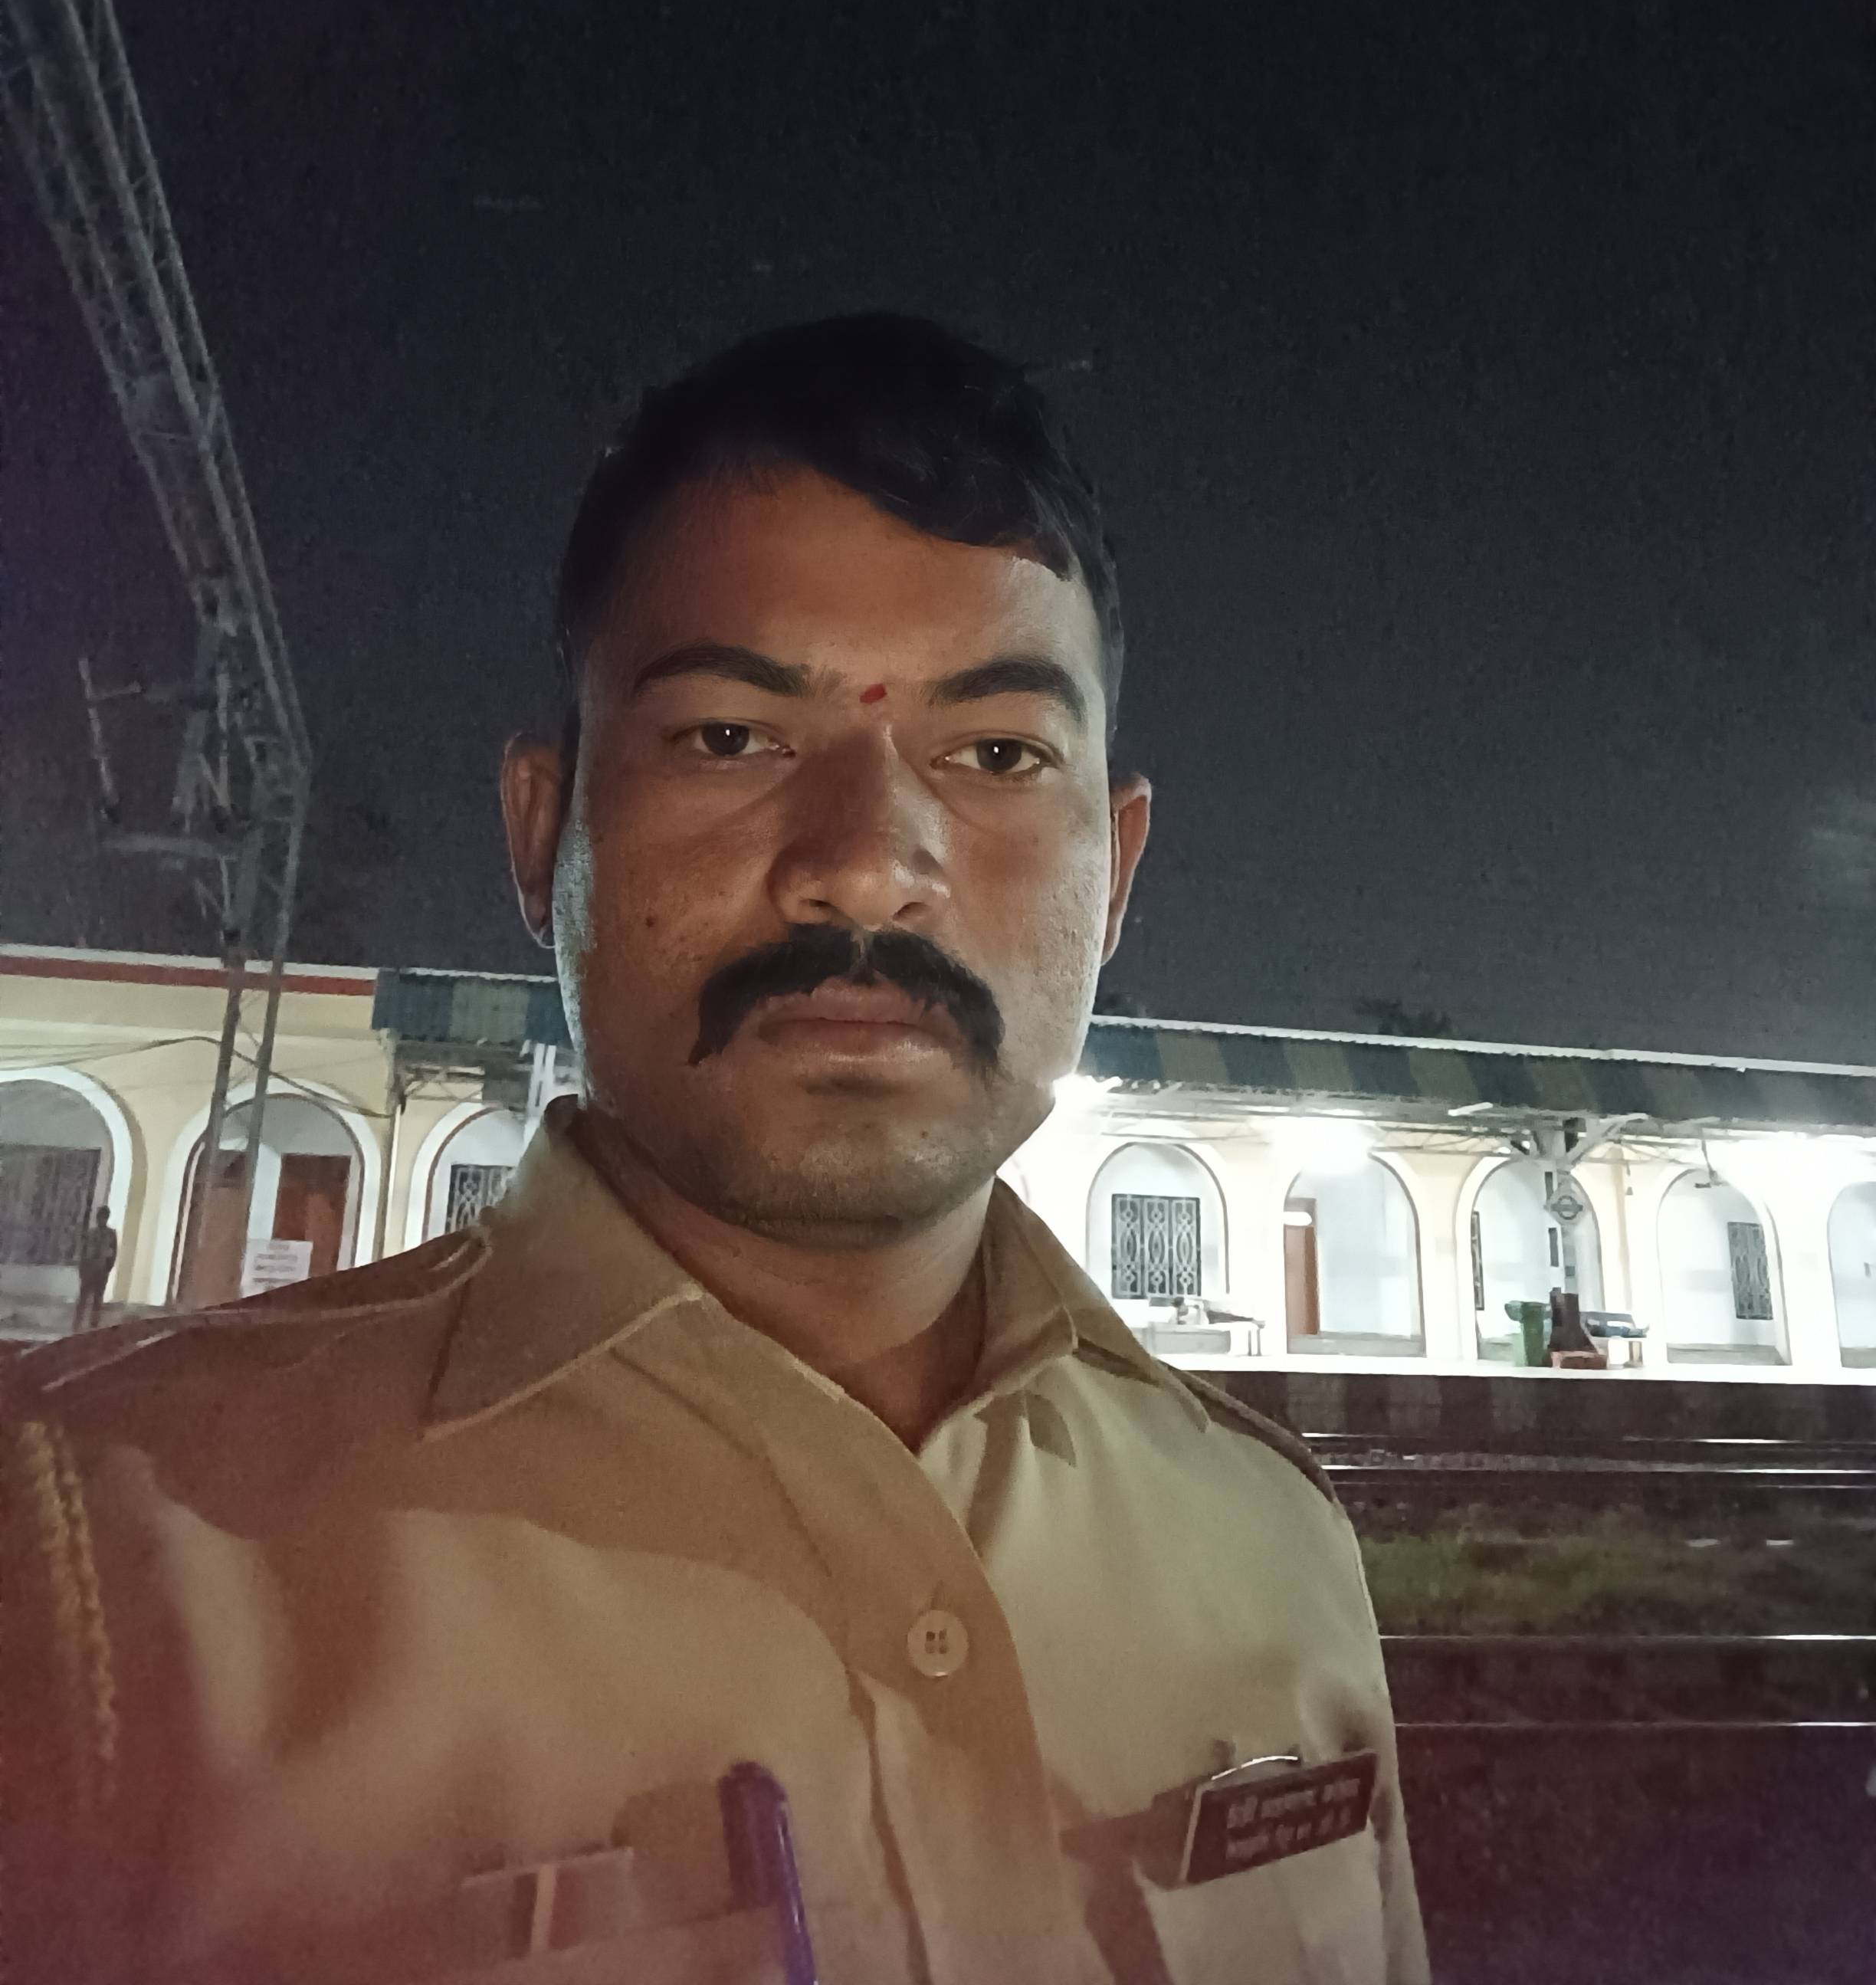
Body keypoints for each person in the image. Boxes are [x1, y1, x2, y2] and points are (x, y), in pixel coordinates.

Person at [0, 316, 1426, 1985]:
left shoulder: (1272, 1549)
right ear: (544, 833)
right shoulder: (87, 1571)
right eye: (732, 737)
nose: (867, 865)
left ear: (1113, 875)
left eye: (997, 754)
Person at [71, 1203, 116, 1332]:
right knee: (83, 1298)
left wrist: (108, 1269)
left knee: (97, 1300)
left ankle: (94, 1327)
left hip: (101, 1271)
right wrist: (82, 1269)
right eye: (99, 1217)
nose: (101, 1220)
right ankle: (77, 1326)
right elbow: (84, 1252)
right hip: (89, 1271)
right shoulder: (91, 1233)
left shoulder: (111, 1234)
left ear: (106, 1218)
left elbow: (113, 1253)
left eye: (103, 1217)